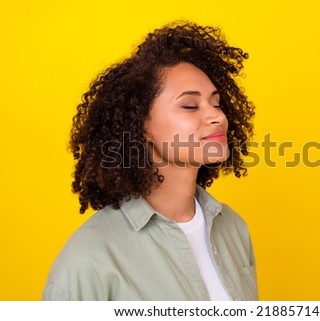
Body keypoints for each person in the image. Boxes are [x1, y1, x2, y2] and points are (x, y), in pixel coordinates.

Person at [42, 21, 257, 301]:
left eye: (216, 103)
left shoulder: (234, 229)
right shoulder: (89, 260)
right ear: (139, 126)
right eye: (190, 105)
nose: (218, 116)